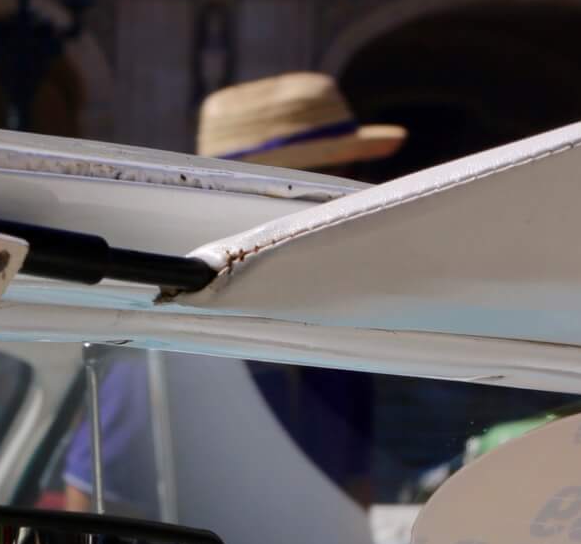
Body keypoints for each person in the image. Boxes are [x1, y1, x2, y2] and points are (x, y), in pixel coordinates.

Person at [61, 73, 403, 517]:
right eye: (336, 179)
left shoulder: (342, 341)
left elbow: (355, 503)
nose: (352, 201)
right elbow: (92, 513)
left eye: (355, 176)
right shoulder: (164, 353)